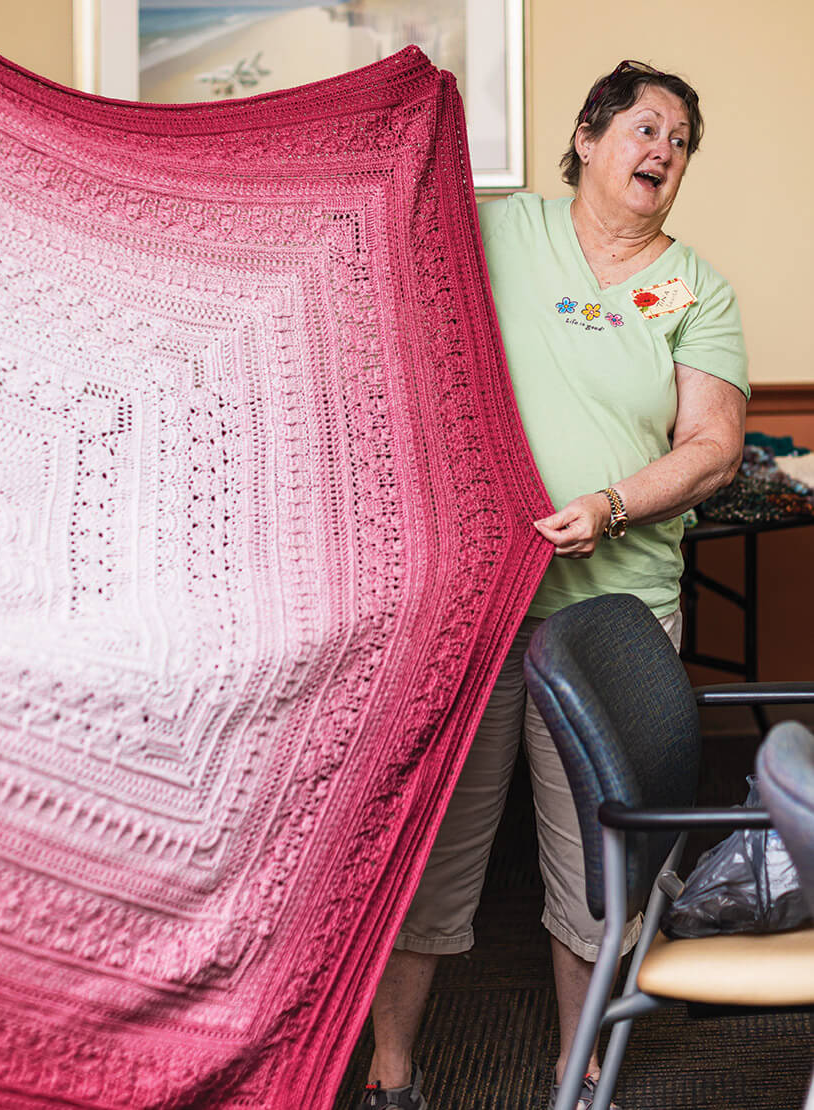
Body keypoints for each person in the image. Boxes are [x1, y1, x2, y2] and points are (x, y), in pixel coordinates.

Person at [356, 61, 749, 1110]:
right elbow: (380, 248)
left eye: (680, 138)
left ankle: (582, 1083)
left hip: (616, 617)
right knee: (430, 857)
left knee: (597, 876)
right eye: (645, 126)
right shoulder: (497, 231)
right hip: (476, 603)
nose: (663, 148)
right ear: (586, 138)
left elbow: (713, 447)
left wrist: (613, 505)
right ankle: (393, 1076)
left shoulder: (696, 286)